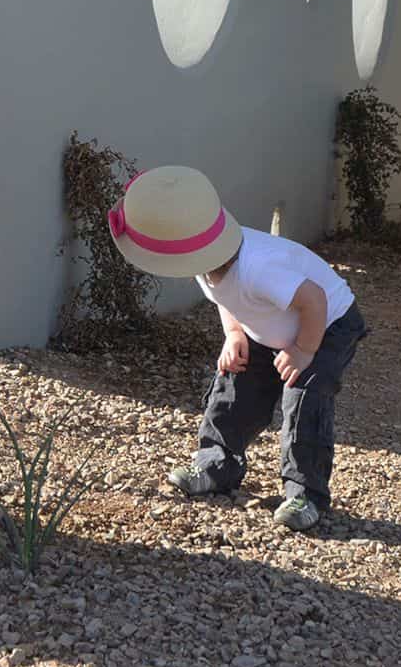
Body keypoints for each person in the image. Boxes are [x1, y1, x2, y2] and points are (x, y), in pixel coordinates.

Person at [107, 166, 367, 531]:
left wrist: (304, 351)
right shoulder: (206, 262)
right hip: (268, 326)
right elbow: (225, 297)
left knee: (304, 394)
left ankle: (306, 492)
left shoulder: (259, 267)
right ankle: (217, 462)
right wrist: (234, 334)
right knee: (235, 380)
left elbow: (315, 300)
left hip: (325, 325)